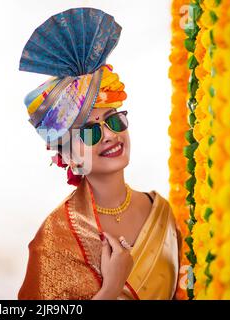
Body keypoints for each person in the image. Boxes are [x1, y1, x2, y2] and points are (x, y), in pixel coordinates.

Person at [17, 7, 182, 300]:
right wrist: (110, 288)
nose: (109, 134)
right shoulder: (55, 240)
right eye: (91, 130)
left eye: (114, 120)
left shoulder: (162, 212)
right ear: (67, 156)